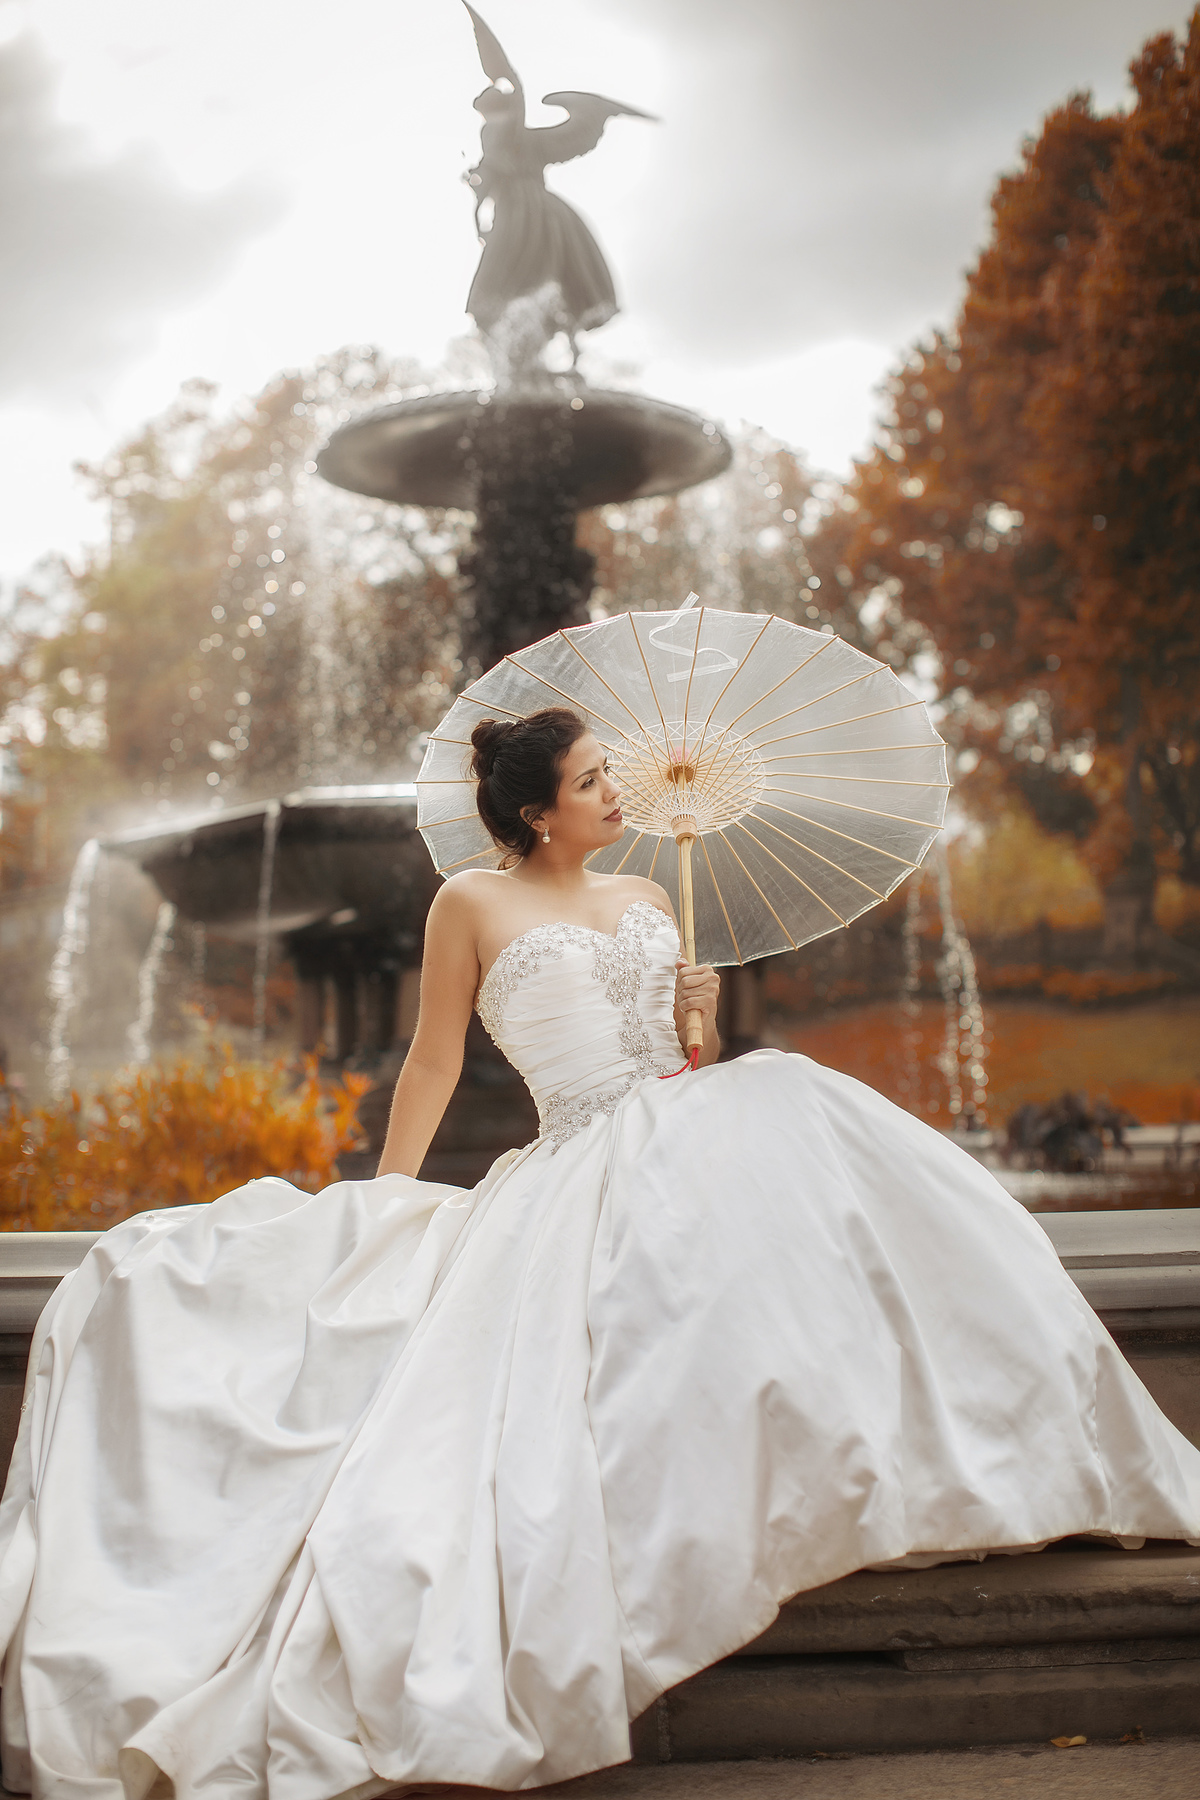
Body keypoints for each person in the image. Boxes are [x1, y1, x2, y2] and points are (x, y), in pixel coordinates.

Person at [2, 707, 1198, 1800]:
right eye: (589, 781)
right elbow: (433, 1058)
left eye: (607, 773)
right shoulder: (470, 905)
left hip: (680, 1117)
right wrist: (388, 1196)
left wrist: (700, 1015)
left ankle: (958, 1451)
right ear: (536, 813)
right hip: (575, 1153)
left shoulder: (647, 892)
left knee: (812, 1126)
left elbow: (681, 1060)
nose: (614, 791)